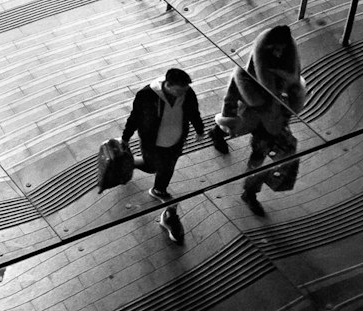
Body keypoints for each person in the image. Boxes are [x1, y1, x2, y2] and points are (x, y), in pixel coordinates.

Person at [210, 24, 306, 155]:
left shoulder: (285, 58)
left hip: (269, 105)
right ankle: (218, 133)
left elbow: (292, 79)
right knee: (244, 123)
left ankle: (255, 158)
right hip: (258, 99)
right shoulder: (245, 78)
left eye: (281, 50)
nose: (278, 54)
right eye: (276, 50)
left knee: (262, 136)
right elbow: (230, 100)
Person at [121, 67, 205, 203]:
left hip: (176, 139)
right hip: (152, 141)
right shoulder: (147, 94)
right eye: (178, 91)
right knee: (151, 166)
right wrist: (125, 137)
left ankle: (159, 190)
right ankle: (132, 162)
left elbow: (193, 112)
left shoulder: (187, 93)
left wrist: (199, 130)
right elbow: (135, 117)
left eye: (184, 90)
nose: (182, 93)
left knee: (168, 166)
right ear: (168, 85)